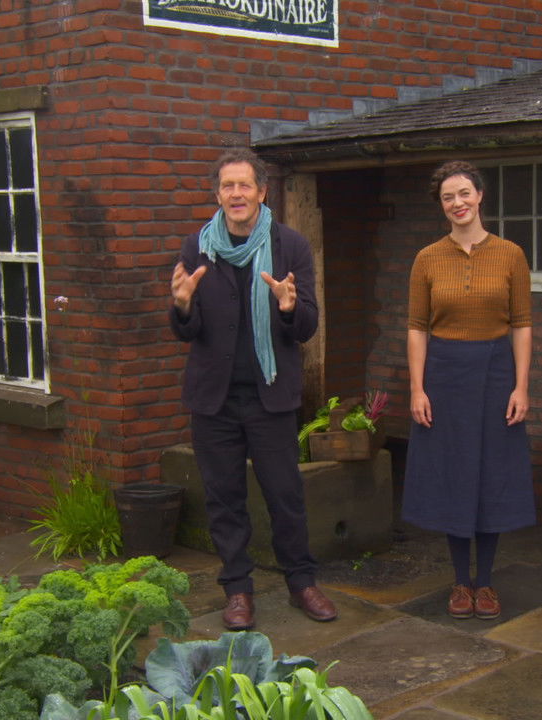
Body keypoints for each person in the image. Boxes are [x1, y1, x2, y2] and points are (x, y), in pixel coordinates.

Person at [168, 148, 337, 630]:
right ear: (218, 194)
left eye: (245, 185)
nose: (236, 194)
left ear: (262, 191)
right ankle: (238, 589)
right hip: (214, 399)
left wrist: (288, 306)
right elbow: (185, 330)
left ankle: (302, 581)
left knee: (285, 494)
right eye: (228, 186)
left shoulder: (290, 246)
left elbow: (307, 326)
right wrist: (182, 306)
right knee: (224, 499)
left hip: (270, 395)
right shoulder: (197, 247)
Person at [403, 160, 535, 620]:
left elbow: (522, 325)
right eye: (448, 197)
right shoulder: (427, 258)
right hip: (444, 375)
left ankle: (487, 581)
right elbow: (417, 327)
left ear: (480, 195)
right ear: (441, 205)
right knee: (453, 473)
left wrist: (521, 385)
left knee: (491, 472)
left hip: (496, 372)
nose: (457, 203)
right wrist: (417, 388)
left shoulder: (511, 255)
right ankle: (461, 581)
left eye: (464, 193)